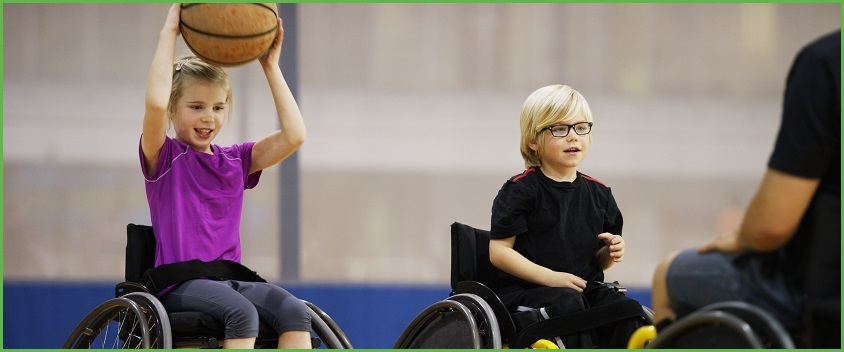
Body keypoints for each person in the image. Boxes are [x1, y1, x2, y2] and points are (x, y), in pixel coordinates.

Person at [651, 29, 840, 348]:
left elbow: (771, 227)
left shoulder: (826, 61)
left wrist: (742, 236)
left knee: (668, 273)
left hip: (824, 299)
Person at [139, 4, 310, 349]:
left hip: (229, 281)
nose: (208, 118)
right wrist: (169, 33)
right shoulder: (165, 156)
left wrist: (270, 65)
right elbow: (154, 105)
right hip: (181, 285)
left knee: (295, 311)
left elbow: (294, 135)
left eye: (218, 107)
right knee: (242, 314)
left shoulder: (236, 160)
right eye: (196, 106)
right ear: (174, 108)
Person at [489, 84, 645, 348]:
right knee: (567, 302)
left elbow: (598, 262)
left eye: (581, 127)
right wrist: (551, 278)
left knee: (628, 309)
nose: (573, 137)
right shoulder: (520, 189)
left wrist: (610, 252)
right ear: (533, 141)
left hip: (582, 289)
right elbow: (499, 252)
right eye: (559, 129)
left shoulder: (600, 193)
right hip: (529, 292)